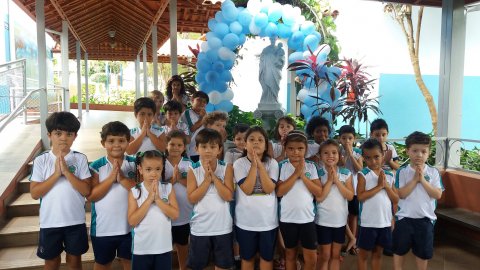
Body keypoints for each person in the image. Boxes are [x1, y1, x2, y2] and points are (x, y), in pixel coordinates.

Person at [30, 112, 91, 270]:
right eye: (58, 133)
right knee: (51, 262)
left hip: (75, 221)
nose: (63, 138)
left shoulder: (80, 159)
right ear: (49, 135)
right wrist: (57, 174)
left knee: (75, 260)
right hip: (50, 221)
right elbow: (35, 193)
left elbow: (86, 190)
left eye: (69, 134)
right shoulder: (41, 160)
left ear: (75, 136)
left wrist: (67, 173)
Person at [88, 121, 137, 270]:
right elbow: (92, 196)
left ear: (128, 142)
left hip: (130, 228)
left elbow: (142, 191)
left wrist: (122, 179)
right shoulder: (96, 166)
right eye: (111, 141)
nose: (116, 145)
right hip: (103, 228)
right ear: (103, 143)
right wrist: (110, 179)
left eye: (121, 140)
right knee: (102, 263)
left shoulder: (135, 164)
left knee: (130, 263)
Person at [393, 131, 443, 270]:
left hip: (425, 220)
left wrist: (422, 180)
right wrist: (415, 180)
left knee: (423, 253)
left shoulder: (433, 172)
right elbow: (401, 194)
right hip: (404, 218)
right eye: (415, 150)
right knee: (399, 249)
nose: (419, 155)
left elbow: (437, 194)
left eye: (423, 151)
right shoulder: (402, 172)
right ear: (408, 151)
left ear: (428, 152)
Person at [186, 128, 235, 270]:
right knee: (197, 265)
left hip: (223, 227)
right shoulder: (193, 169)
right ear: (196, 148)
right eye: (204, 146)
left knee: (223, 265)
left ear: (219, 149)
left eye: (213, 147)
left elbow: (228, 196)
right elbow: (192, 198)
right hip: (200, 227)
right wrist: (207, 181)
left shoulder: (226, 167)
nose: (208, 150)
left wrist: (214, 177)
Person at [233, 126, 279, 270]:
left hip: (268, 222)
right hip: (245, 222)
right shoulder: (239, 164)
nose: (256, 143)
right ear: (245, 144)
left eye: (260, 140)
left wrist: (260, 164)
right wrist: (254, 165)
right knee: (247, 258)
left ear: (266, 146)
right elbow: (246, 189)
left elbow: (269, 188)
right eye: (251, 139)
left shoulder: (272, 163)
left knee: (267, 258)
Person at [276, 130, 323, 270]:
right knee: (290, 254)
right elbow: (279, 192)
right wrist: (296, 174)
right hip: (287, 219)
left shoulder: (311, 167)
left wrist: (302, 176)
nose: (295, 152)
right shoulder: (282, 166)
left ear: (306, 150)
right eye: (291, 148)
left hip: (307, 219)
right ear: (285, 149)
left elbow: (318, 192)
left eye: (300, 148)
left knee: (311, 257)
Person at [128, 150, 179, 270]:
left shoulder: (168, 188)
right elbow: (132, 221)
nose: (153, 174)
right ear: (140, 169)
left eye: (157, 169)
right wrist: (150, 198)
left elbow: (175, 214)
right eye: (148, 169)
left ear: (162, 169)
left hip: (163, 248)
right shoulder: (134, 191)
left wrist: (157, 199)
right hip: (142, 249)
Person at [356, 138, 399, 270]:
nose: (373, 161)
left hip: (384, 222)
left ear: (383, 155)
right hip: (368, 222)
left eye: (376, 157)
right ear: (364, 158)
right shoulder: (363, 174)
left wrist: (386, 186)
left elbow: (395, 198)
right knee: (363, 255)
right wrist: (379, 186)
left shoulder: (389, 175)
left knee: (378, 254)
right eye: (368, 158)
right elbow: (360, 197)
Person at [315, 139, 354, 270]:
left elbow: (349, 196)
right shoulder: (318, 173)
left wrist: (337, 181)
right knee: (325, 255)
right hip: (322, 221)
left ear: (339, 155)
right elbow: (319, 197)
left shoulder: (346, 174)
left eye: (334, 153)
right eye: (326, 153)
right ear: (320, 156)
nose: (330, 155)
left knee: (335, 255)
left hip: (340, 222)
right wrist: (330, 180)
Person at [164, 130, 193, 270]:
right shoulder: (160, 162)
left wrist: (179, 179)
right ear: (166, 145)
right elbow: (154, 185)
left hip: (184, 215)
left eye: (179, 145)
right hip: (164, 214)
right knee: (164, 247)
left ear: (184, 147)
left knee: (182, 246)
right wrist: (171, 180)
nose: (175, 147)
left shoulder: (189, 164)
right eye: (172, 144)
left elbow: (195, 184)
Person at [338, 125, 363, 255]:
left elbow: (360, 169)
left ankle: (352, 242)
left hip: (354, 190)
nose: (347, 141)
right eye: (344, 138)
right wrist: (346, 154)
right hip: (341, 189)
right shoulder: (337, 151)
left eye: (350, 138)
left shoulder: (358, 152)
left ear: (354, 139)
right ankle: (344, 241)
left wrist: (351, 154)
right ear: (339, 139)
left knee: (353, 216)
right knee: (343, 214)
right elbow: (341, 165)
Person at [259, 38, 285, 104]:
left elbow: (282, 59)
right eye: (272, 40)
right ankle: (265, 100)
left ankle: (274, 99)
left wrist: (278, 60)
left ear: (275, 40)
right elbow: (262, 58)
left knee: (275, 84)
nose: (273, 41)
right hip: (267, 69)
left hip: (275, 70)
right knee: (267, 83)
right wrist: (268, 57)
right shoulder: (266, 49)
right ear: (270, 40)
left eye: (274, 40)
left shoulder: (279, 50)